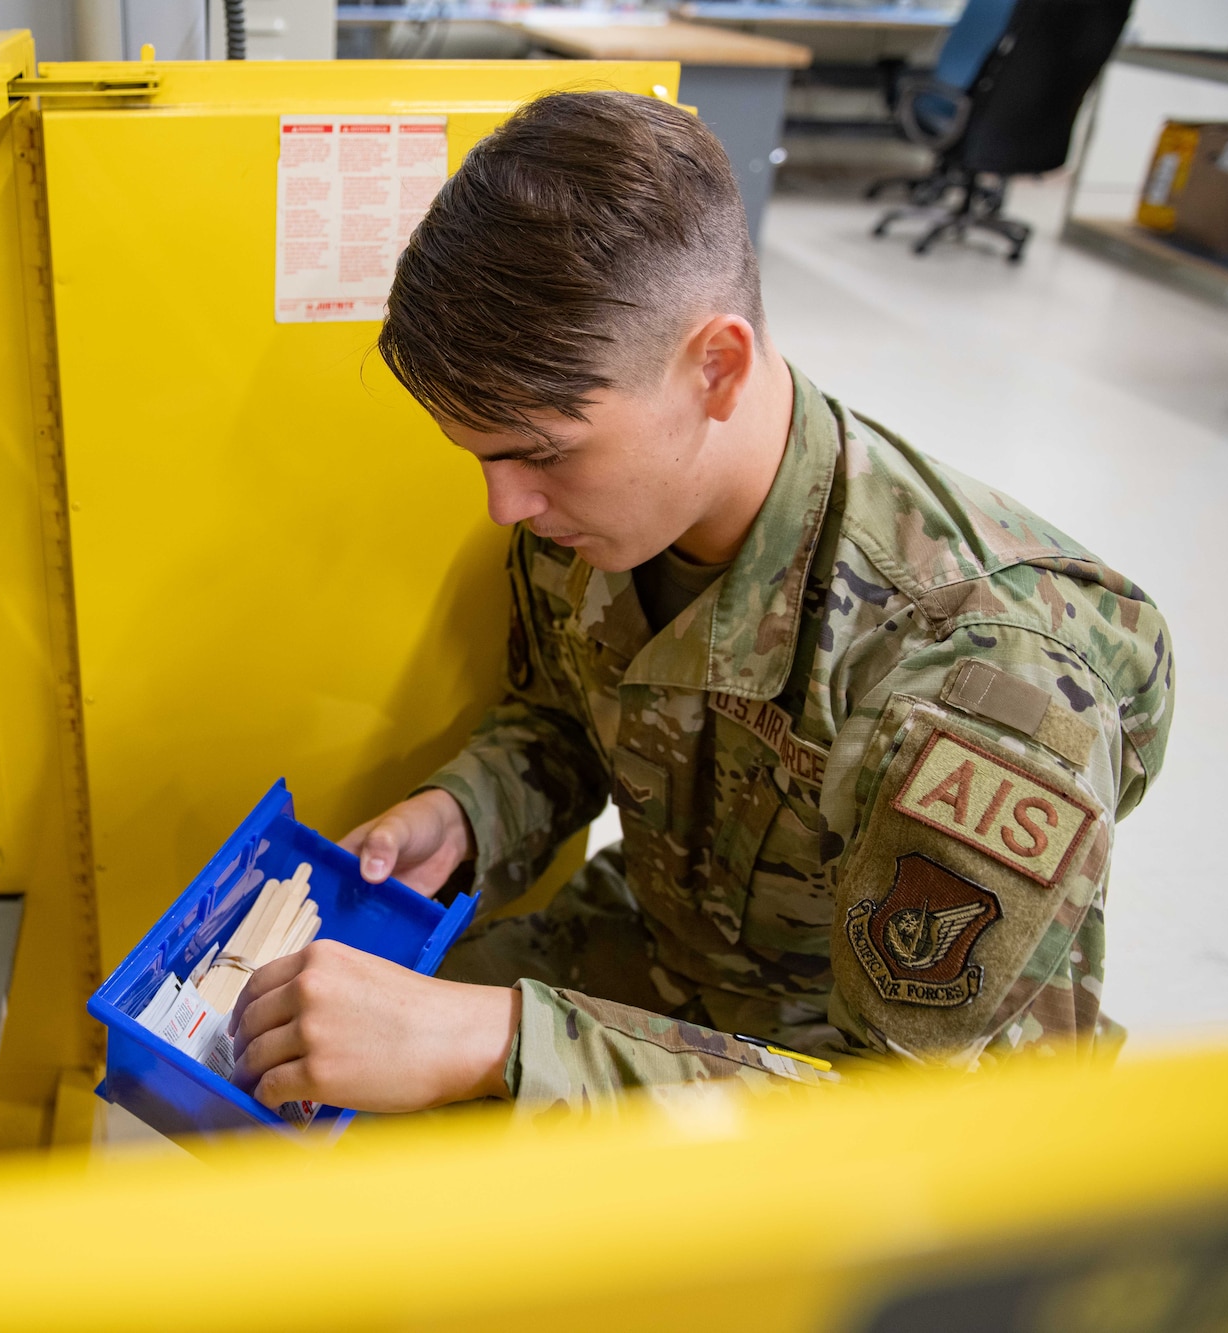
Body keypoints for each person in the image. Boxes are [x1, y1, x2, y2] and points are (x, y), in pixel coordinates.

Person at [228, 90, 1174, 1117]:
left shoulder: (973, 677)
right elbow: (568, 721)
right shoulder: (593, 520)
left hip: (840, 1081)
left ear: (714, 367)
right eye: (482, 458)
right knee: (286, 1066)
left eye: (540, 453)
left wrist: (495, 1043)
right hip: (666, 951)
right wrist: (467, 812)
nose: (505, 505)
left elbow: (919, 1124)